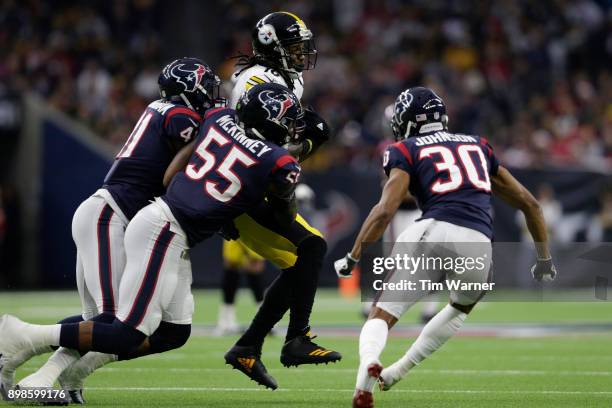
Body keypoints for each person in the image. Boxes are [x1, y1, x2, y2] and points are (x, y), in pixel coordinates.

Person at [0, 83, 306, 395]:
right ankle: (23, 335)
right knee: (122, 330)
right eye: (289, 120)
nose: (294, 129)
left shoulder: (219, 120)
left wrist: (204, 205)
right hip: (162, 228)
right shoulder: (279, 162)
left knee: (173, 332)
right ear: (272, 120)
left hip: (164, 224)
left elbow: (171, 174)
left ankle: (72, 372)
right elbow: (283, 217)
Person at [0, 57, 221, 403]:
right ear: (189, 89)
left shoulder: (163, 110)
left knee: (132, 327)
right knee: (115, 323)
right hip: (111, 216)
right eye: (207, 88)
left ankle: (47, 376)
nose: (212, 96)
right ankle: (21, 337)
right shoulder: (179, 115)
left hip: (116, 217)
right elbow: (191, 166)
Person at [334, 87, 557, 408]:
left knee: (381, 313)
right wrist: (544, 259)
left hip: (431, 230)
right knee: (460, 308)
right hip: (478, 243)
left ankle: (365, 376)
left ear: (407, 120)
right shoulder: (478, 145)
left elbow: (385, 210)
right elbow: (531, 205)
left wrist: (353, 255)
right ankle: (396, 373)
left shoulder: (404, 148)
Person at [222, 11, 340, 389]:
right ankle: (294, 340)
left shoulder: (287, 80)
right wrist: (281, 177)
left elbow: (287, 133)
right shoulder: (253, 83)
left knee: (303, 259)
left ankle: (250, 345)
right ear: (272, 48)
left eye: (302, 47)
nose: (301, 54)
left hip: (257, 176)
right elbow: (252, 141)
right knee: (311, 249)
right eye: (293, 47)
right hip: (242, 183)